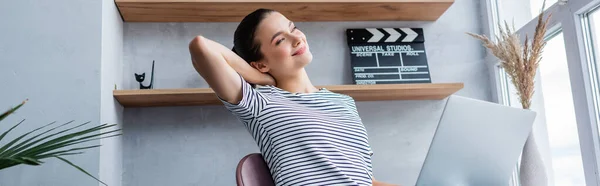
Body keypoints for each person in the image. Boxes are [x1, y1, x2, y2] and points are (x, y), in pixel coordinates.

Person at [188, 8, 397, 186]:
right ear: (260, 63)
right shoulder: (260, 103)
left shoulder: (344, 103)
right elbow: (201, 47)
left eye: (293, 28)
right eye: (280, 40)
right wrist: (262, 77)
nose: (297, 39)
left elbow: (365, 179)